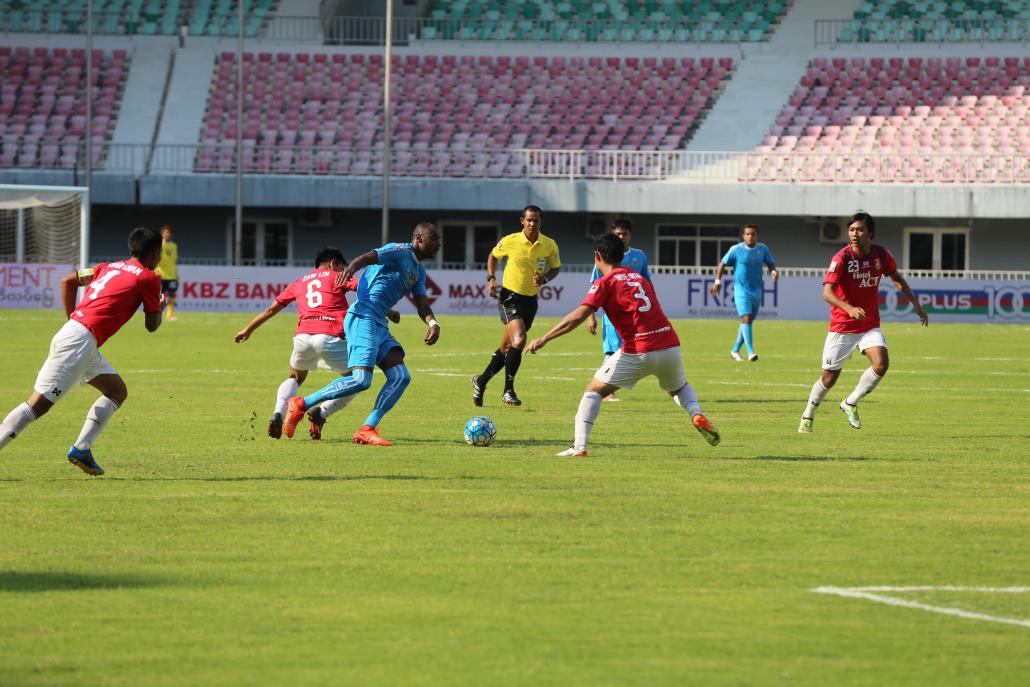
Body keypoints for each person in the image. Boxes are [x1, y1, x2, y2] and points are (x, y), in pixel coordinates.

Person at [527, 233, 720, 457]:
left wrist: (544, 338)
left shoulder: (605, 283)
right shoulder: (639, 278)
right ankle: (696, 413)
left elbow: (578, 316)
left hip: (639, 350)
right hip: (670, 344)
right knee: (679, 388)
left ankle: (579, 447)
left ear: (597, 256)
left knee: (594, 391)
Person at [0, 227, 164, 475]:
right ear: (155, 254)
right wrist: (159, 306)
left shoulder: (108, 267)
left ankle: (82, 448)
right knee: (38, 405)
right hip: (80, 341)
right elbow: (152, 326)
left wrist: (72, 320)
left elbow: (69, 281)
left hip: (79, 336)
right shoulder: (149, 278)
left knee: (116, 390)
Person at [283, 223, 443, 446]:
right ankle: (301, 403)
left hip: (379, 323)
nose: (439, 243)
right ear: (418, 238)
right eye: (434, 238)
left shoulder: (419, 270)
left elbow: (422, 304)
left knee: (400, 377)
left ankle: (366, 428)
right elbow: (369, 256)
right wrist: (351, 268)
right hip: (363, 317)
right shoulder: (399, 251)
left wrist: (433, 323)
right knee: (361, 380)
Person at [233, 247, 401, 441]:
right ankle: (320, 413)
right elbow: (368, 293)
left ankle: (278, 411)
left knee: (295, 376)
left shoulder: (299, 282)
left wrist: (248, 330)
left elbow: (271, 310)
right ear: (333, 263)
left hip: (303, 337)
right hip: (331, 335)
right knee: (356, 381)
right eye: (341, 267)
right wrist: (390, 312)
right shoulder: (337, 276)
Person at [798, 210, 928, 433]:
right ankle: (807, 416)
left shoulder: (881, 255)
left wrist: (915, 304)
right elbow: (827, 293)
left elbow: (896, 278)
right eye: (851, 230)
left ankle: (850, 402)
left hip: (868, 324)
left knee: (881, 363)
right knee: (829, 378)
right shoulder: (841, 258)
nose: (854, 234)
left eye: (859, 230)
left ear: (871, 233)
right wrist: (849, 309)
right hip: (843, 326)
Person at [471, 205, 560, 407]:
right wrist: (491, 278)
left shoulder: (549, 244)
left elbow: (555, 268)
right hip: (509, 296)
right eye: (528, 220)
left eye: (535, 220)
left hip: (530, 301)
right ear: (522, 221)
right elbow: (493, 256)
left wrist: (545, 278)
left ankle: (481, 381)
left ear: (541, 222)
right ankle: (508, 390)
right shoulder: (511, 241)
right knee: (520, 340)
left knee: (507, 347)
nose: (532, 223)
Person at [586, 217, 651, 402]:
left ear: (630, 235)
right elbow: (594, 287)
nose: (621, 237)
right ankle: (607, 391)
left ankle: (603, 386)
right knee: (612, 351)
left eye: (624, 234)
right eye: (617, 234)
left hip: (635, 315)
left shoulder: (640, 256)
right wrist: (591, 317)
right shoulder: (604, 258)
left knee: (632, 350)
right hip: (612, 314)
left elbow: (647, 284)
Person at [709, 224, 777, 361]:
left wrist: (773, 271)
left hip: (756, 290)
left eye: (753, 234)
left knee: (748, 321)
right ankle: (750, 352)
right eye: (748, 234)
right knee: (746, 318)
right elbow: (722, 263)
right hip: (741, 291)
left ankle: (734, 350)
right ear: (743, 236)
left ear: (757, 235)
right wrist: (717, 282)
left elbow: (770, 262)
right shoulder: (736, 249)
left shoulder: (762, 249)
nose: (750, 236)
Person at [155, 224, 179, 320]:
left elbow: (174, 260)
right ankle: (155, 313)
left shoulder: (174, 246)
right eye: (166, 232)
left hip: (172, 275)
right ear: (162, 234)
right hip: (161, 274)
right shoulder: (159, 244)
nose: (168, 234)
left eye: (170, 233)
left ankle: (169, 315)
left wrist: (177, 275)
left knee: (172, 294)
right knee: (160, 295)